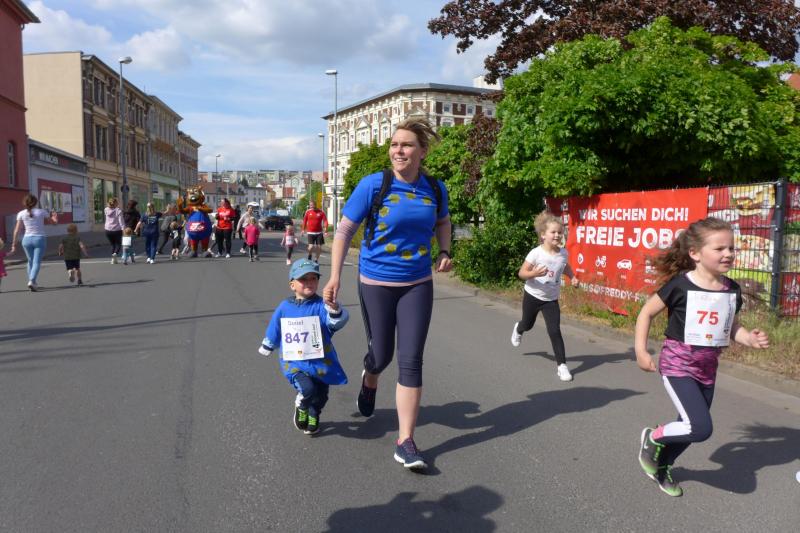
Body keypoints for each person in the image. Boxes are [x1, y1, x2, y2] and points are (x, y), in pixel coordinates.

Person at [323, 118, 452, 470]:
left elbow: (443, 221)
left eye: (407, 145)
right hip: (376, 282)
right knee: (381, 355)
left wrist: (444, 250)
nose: (399, 150)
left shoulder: (435, 188)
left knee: (411, 360)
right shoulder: (374, 185)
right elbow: (344, 231)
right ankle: (371, 377)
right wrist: (335, 277)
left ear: (422, 152)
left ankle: (405, 441)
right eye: (395, 144)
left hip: (417, 284)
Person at [635, 217, 769, 497]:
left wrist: (749, 338)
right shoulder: (680, 286)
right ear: (695, 253)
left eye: (731, 248)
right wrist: (640, 349)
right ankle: (653, 437)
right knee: (699, 427)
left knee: (688, 427)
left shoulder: (731, 290)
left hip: (707, 370)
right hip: (677, 366)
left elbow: (731, 326)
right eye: (719, 248)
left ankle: (662, 466)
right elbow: (646, 312)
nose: (728, 254)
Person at [259, 259, 349, 435]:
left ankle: (314, 413)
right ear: (292, 285)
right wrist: (268, 344)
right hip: (294, 362)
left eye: (313, 278)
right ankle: (301, 405)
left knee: (321, 395)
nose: (309, 282)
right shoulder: (284, 307)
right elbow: (275, 327)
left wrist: (334, 309)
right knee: (307, 389)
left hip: (320, 361)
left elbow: (336, 323)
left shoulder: (321, 305)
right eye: (303, 279)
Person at [510, 211, 579, 382]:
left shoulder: (563, 253)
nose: (557, 235)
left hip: (551, 300)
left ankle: (562, 366)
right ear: (543, 235)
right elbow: (521, 273)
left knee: (554, 331)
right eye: (553, 232)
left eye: (559, 232)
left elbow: (565, 266)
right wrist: (533, 273)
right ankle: (518, 329)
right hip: (533, 296)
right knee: (528, 324)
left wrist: (572, 277)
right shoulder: (536, 253)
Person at [10, 194, 59, 291]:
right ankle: (32, 281)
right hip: (39, 239)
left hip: (26, 240)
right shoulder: (42, 212)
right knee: (36, 262)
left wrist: (14, 244)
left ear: (25, 203)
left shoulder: (21, 213)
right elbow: (53, 223)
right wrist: (55, 217)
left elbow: (16, 230)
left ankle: (33, 282)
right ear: (36, 202)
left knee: (30, 261)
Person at [104, 198, 124, 264]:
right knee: (118, 244)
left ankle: (113, 259)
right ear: (116, 203)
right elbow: (121, 221)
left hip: (108, 230)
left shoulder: (106, 209)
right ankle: (115, 254)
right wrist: (123, 229)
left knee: (112, 245)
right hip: (117, 230)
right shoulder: (118, 211)